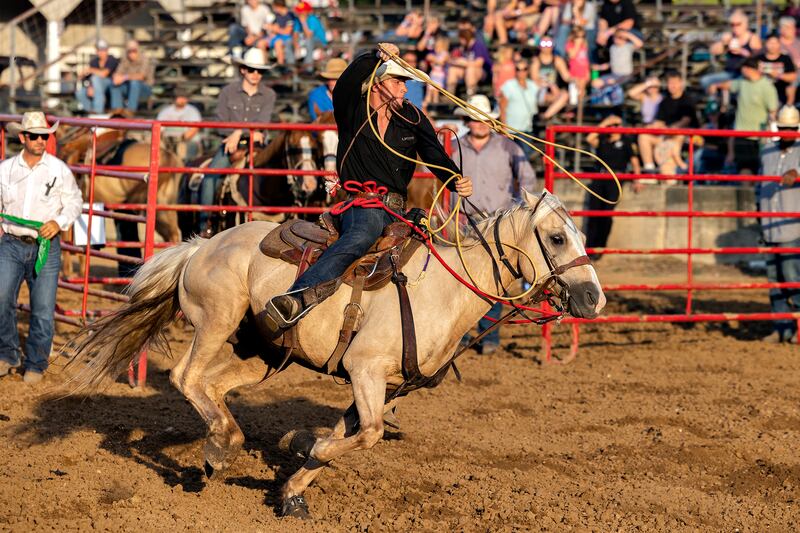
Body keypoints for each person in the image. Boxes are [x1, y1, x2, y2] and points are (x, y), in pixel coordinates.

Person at [265, 43, 474, 330]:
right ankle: (298, 296)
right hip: (362, 204)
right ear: (378, 84)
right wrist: (373, 57)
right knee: (363, 233)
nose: (404, 89)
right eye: (399, 82)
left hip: (398, 207)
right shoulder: (353, 111)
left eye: (405, 83)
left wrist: (454, 178)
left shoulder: (412, 118)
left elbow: (433, 153)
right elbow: (345, 85)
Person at [0, 112, 82, 384]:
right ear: (23, 137)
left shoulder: (59, 170)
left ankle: (35, 362)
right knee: (1, 299)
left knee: (43, 309)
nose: (40, 140)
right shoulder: (6, 168)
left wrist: (58, 222)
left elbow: (74, 203)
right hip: (11, 242)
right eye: (34, 136)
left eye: (44, 136)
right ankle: (8, 353)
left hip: (45, 244)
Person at [457, 94, 537, 354]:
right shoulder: (454, 147)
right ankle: (457, 334)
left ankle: (488, 336)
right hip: (463, 221)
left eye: (483, 119)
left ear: (491, 121)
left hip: (499, 225)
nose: (479, 123)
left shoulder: (508, 147)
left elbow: (527, 180)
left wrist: (518, 214)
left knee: (495, 281)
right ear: (467, 121)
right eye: (474, 119)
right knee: (459, 280)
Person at [199, 48, 276, 236]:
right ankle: (206, 223)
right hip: (230, 145)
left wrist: (238, 132)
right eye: (251, 70)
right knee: (210, 178)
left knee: (277, 175)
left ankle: (280, 219)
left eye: (260, 71)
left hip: (256, 146)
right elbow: (220, 123)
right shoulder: (228, 92)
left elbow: (263, 124)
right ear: (242, 69)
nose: (256, 74)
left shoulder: (269, 94)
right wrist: (244, 133)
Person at [757, 105, 800, 344]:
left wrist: (797, 172)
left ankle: (798, 326)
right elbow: (758, 184)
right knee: (774, 280)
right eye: (783, 128)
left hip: (792, 224)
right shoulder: (767, 151)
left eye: (791, 128)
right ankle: (780, 327)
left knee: (793, 277)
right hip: (770, 222)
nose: (787, 132)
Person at [584, 114, 640, 257]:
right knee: (592, 213)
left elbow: (634, 162)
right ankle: (589, 248)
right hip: (599, 177)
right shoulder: (602, 139)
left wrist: (637, 179)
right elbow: (589, 138)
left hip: (616, 179)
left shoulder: (626, 142)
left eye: (616, 125)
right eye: (611, 125)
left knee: (607, 214)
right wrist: (605, 122)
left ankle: (600, 248)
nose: (613, 128)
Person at [712, 57, 779, 175]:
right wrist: (715, 86)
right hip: (741, 134)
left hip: (758, 137)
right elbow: (728, 85)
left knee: (757, 170)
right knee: (744, 169)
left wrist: (769, 135)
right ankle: (746, 192)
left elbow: (773, 111)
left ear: (749, 69)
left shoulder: (767, 87)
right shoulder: (742, 82)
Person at [637, 70, 697, 175]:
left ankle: (678, 167)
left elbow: (685, 121)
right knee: (644, 136)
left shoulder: (688, 100)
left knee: (677, 137)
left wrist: (670, 129)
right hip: (666, 135)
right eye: (670, 83)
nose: (672, 86)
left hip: (682, 136)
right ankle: (649, 169)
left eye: (674, 83)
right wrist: (653, 126)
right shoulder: (664, 101)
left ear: (681, 83)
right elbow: (660, 121)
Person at [701, 9, 762, 93]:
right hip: (729, 72)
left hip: (744, 74)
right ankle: (714, 102)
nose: (735, 27)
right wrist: (723, 43)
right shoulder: (729, 37)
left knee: (737, 84)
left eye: (738, 24)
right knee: (706, 80)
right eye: (732, 25)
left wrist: (741, 51)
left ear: (745, 24)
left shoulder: (752, 38)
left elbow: (757, 58)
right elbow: (713, 51)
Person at [499, 59, 539, 158]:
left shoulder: (533, 86)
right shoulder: (509, 85)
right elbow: (502, 107)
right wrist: (503, 128)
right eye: (518, 69)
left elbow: (543, 98)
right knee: (514, 158)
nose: (521, 72)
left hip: (526, 128)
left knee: (523, 158)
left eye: (524, 69)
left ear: (527, 71)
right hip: (511, 130)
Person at [156, 87, 203, 165]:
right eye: (180, 97)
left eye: (184, 97)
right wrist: (166, 139)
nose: (182, 100)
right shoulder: (166, 111)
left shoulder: (192, 111)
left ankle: (187, 167)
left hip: (187, 141)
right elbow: (160, 129)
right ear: (174, 98)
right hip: (167, 141)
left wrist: (181, 139)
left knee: (186, 149)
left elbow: (194, 129)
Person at [531, 37, 570, 121]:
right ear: (540, 46)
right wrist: (548, 84)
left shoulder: (557, 60)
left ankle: (545, 116)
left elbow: (566, 76)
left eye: (548, 44)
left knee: (565, 95)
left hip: (554, 92)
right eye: (543, 44)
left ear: (552, 46)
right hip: (540, 91)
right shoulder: (536, 61)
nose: (546, 47)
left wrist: (577, 79)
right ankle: (548, 116)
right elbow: (534, 79)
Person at [109, 40, 155, 112]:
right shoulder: (125, 60)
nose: (132, 53)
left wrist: (124, 77)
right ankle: (117, 110)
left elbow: (141, 76)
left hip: (145, 89)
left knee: (134, 82)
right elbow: (118, 72)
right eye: (129, 51)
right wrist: (116, 78)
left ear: (138, 49)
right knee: (114, 85)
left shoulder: (145, 59)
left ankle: (130, 110)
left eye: (134, 50)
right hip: (129, 88)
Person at [75, 39, 118, 114]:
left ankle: (98, 111)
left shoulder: (112, 60)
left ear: (107, 50)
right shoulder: (94, 61)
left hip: (111, 85)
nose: (100, 52)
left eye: (103, 50)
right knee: (80, 92)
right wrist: (90, 86)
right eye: (99, 50)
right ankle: (90, 112)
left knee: (96, 79)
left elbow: (104, 74)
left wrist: (91, 70)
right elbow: (83, 78)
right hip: (96, 86)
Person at [758, 32, 797, 106]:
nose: (773, 46)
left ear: (779, 44)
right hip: (762, 93)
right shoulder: (759, 59)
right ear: (765, 44)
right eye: (770, 43)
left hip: (780, 93)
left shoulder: (785, 58)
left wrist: (778, 75)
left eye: (775, 43)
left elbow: (793, 76)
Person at [293, 1, 328, 68]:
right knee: (289, 42)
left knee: (309, 40)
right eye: (299, 12)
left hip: (319, 42)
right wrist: (296, 46)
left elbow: (309, 35)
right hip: (306, 41)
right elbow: (295, 34)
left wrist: (303, 22)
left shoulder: (312, 19)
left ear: (307, 12)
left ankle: (309, 68)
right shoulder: (298, 20)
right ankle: (291, 68)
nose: (300, 14)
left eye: (302, 12)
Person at [268, 0, 298, 67]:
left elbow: (287, 31)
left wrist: (276, 29)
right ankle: (265, 66)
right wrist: (274, 30)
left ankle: (280, 65)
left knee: (278, 43)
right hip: (278, 36)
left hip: (289, 37)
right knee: (262, 43)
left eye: (274, 7)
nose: (273, 9)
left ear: (279, 6)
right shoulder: (277, 15)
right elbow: (274, 27)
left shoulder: (289, 15)